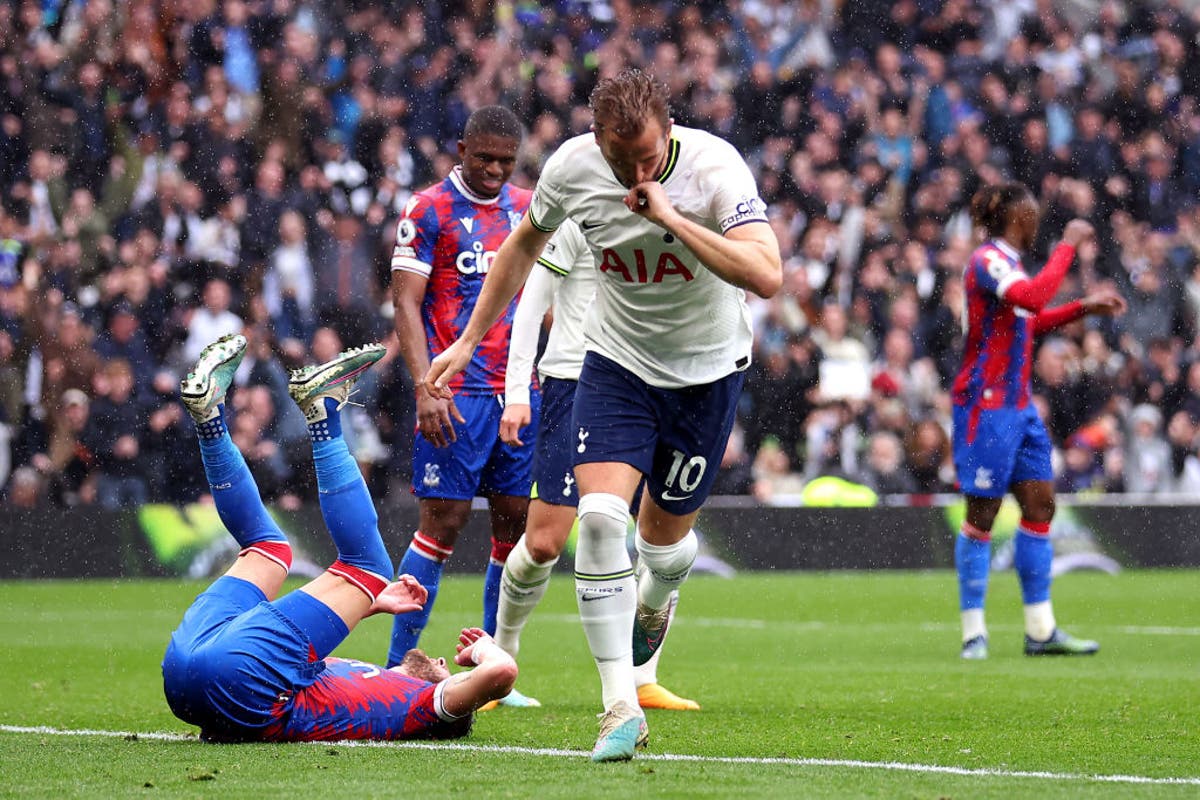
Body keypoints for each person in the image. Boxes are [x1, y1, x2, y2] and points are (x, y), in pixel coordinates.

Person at [424, 69, 782, 760]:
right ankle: (620, 705)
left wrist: (671, 217)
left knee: (664, 550)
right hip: (614, 367)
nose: (636, 171)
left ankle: (659, 592)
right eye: (623, 161)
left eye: (647, 157)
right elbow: (523, 248)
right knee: (594, 521)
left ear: (668, 131)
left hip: (707, 376)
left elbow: (766, 275)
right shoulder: (574, 168)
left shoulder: (714, 168)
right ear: (597, 141)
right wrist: (470, 341)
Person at [162, 334, 518, 742]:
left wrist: (482, 651)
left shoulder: (425, 708)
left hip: (236, 684)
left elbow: (501, 672)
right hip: (191, 679)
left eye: (448, 672)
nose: (442, 661)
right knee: (268, 550)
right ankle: (210, 420)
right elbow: (274, 647)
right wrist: (369, 603)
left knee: (369, 567)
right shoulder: (358, 684)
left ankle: (324, 413)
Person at [495, 218, 699, 712]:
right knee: (545, 541)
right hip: (574, 381)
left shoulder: (673, 217)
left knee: (662, 541)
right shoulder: (580, 215)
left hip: (654, 385)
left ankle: (642, 675)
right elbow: (532, 303)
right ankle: (499, 659)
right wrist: (516, 392)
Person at [387, 106, 540, 707]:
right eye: (485, 158)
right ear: (462, 150)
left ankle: (492, 672)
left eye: (506, 160)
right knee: (442, 525)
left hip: (519, 392)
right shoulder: (427, 209)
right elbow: (405, 304)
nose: (496, 170)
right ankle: (401, 665)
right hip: (457, 391)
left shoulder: (528, 208)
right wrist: (427, 385)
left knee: (514, 527)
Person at [951, 182, 1126, 661]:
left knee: (1040, 506)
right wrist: (1068, 244)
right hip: (985, 407)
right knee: (982, 515)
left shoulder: (1009, 265)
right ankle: (973, 633)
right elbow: (1031, 299)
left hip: (1020, 405)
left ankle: (1040, 630)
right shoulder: (987, 261)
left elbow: (1031, 320)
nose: (1038, 223)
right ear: (1017, 217)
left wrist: (1082, 308)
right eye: (1032, 215)